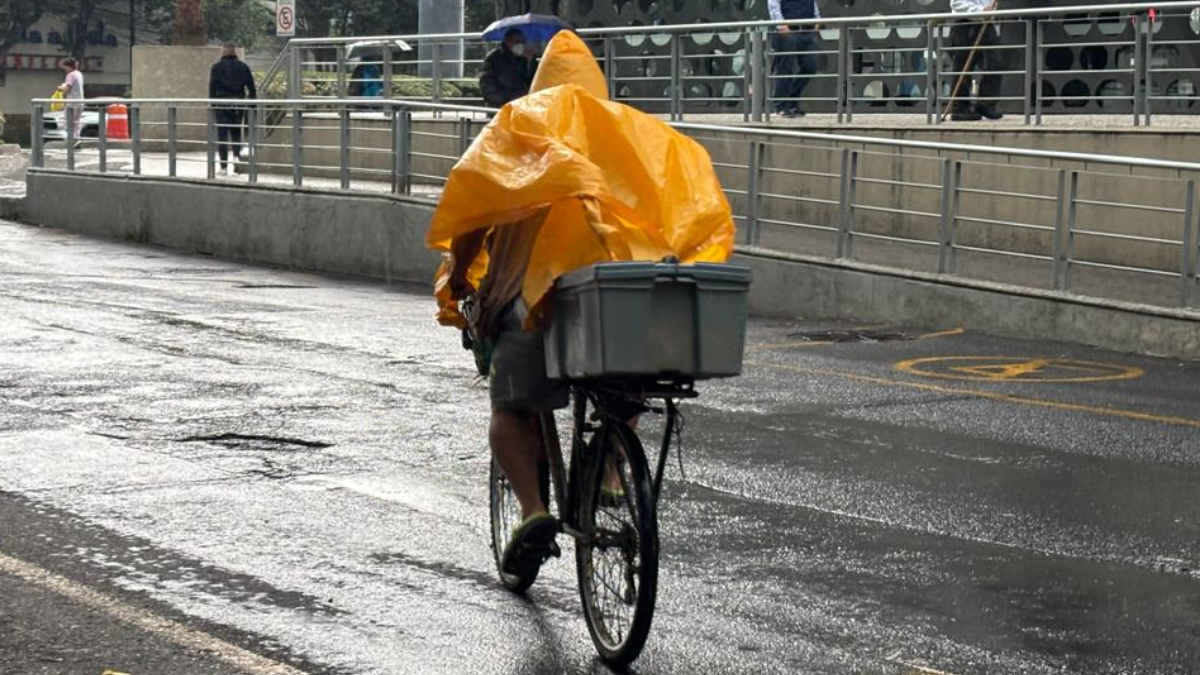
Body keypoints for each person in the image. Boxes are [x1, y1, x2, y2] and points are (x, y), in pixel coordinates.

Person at [949, 0, 1004, 121]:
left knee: (996, 61)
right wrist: (981, 11)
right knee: (963, 65)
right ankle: (960, 108)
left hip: (986, 21)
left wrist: (988, 11)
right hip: (964, 21)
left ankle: (986, 104)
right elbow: (956, 3)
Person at [208, 43, 257, 175]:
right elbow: (251, 87)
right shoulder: (243, 66)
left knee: (222, 135)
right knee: (236, 132)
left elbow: (212, 88)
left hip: (222, 104)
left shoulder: (216, 68)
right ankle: (236, 158)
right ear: (234, 52)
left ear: (223, 52)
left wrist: (212, 105)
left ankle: (223, 166)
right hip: (238, 103)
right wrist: (252, 105)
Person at [768, 0, 820, 118]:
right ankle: (781, 106)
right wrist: (780, 24)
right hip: (787, 30)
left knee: (810, 67)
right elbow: (773, 5)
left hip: (807, 30)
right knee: (785, 69)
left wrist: (817, 19)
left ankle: (791, 101)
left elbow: (812, 3)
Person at [479, 28, 534, 108]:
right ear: (507, 41)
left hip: (522, 104)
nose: (521, 45)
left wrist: (530, 62)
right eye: (517, 41)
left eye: (523, 42)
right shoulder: (494, 58)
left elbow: (531, 81)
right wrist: (502, 103)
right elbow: (487, 84)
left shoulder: (524, 59)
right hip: (502, 105)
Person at [56, 58, 84, 145]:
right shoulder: (79, 74)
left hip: (72, 102)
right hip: (80, 101)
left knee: (66, 121)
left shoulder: (70, 75)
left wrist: (60, 89)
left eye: (65, 67)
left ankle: (72, 139)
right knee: (76, 122)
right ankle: (77, 138)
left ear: (68, 66)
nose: (65, 69)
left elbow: (68, 88)